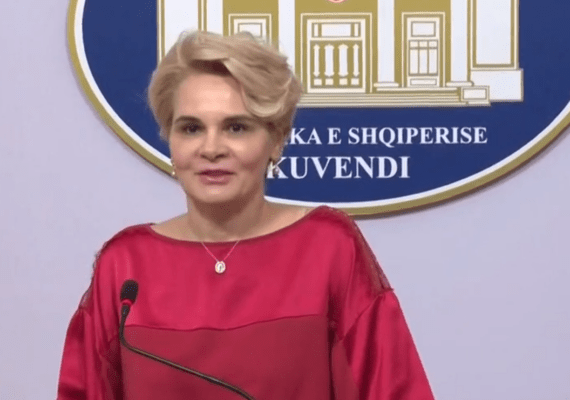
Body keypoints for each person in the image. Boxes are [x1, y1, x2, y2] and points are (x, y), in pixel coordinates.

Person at [57, 31, 435, 400]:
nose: (211, 148)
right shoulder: (126, 266)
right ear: (170, 140)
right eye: (191, 128)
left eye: (236, 127)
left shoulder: (328, 247)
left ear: (276, 140)